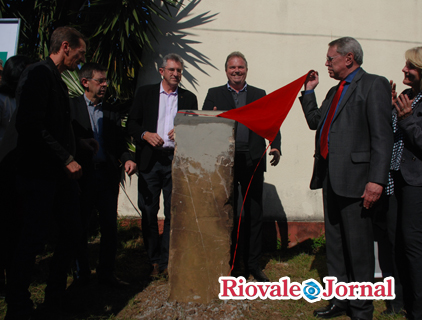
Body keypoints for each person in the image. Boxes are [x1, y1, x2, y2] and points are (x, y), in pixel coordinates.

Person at [299, 37, 392, 320]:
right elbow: (316, 122)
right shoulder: (333, 90)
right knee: (336, 247)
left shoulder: (373, 84)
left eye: (331, 58)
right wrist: (308, 92)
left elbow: (382, 136)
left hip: (358, 184)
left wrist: (376, 180)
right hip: (331, 179)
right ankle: (340, 302)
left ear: (349, 58)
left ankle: (362, 309)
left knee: (360, 251)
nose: (326, 63)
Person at [4, 26, 87, 320]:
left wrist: (79, 141)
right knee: (31, 241)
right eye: (81, 52)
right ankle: (18, 305)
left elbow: (56, 123)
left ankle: (55, 299)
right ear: (66, 47)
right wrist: (65, 157)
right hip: (38, 174)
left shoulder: (58, 78)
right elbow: (31, 124)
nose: (82, 58)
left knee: (72, 232)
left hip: (58, 177)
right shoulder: (38, 73)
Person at [202, 51, 281, 282]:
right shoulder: (214, 94)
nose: (237, 71)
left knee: (254, 213)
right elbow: (204, 122)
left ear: (246, 69)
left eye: (241, 68)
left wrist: (275, 145)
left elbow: (272, 121)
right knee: (229, 213)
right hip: (225, 161)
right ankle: (234, 265)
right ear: (226, 70)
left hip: (253, 159)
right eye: (232, 68)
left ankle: (253, 264)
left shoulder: (258, 94)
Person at [127, 53, 198, 277]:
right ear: (162, 71)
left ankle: (166, 262)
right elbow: (131, 124)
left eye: (179, 71)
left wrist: (183, 130)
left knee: (172, 212)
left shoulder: (189, 98)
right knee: (148, 210)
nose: (176, 74)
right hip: (149, 159)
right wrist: (146, 134)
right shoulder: (145, 93)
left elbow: (195, 127)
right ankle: (153, 260)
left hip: (174, 161)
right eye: (172, 70)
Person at [70, 62, 137, 287]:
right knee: (80, 226)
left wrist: (127, 158)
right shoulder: (71, 107)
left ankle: (106, 273)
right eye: (100, 81)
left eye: (106, 80)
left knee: (109, 227)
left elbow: (119, 142)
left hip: (107, 177)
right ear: (85, 82)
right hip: (82, 177)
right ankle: (80, 275)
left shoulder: (110, 110)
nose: (105, 85)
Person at [386, 46, 422, 320]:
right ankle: (397, 302)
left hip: (417, 183)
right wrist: (391, 110)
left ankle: (419, 309)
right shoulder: (406, 97)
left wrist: (408, 120)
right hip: (395, 179)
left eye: (410, 66)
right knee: (395, 241)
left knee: (413, 245)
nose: (404, 70)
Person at [0, 54, 33, 298]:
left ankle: (13, 280)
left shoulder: (23, 100)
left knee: (14, 229)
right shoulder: (2, 99)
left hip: (18, 171)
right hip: (3, 169)